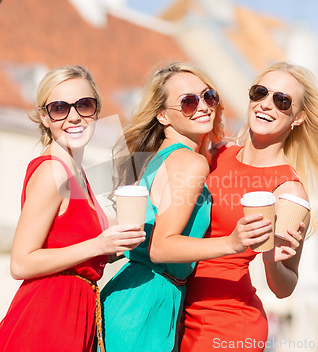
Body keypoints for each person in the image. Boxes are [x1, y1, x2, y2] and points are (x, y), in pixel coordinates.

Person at [180, 61, 318, 351]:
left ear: (298, 118)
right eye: (260, 92)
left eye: (282, 101)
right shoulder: (215, 153)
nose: (266, 104)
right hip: (178, 307)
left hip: (227, 321)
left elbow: (284, 287)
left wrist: (273, 260)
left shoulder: (288, 189)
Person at [100, 62, 273, 352]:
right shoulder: (191, 163)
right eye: (188, 102)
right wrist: (231, 243)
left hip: (135, 295)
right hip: (147, 305)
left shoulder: (157, 159)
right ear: (163, 116)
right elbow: (161, 247)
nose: (203, 106)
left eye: (208, 96)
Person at [0, 65, 145, 352]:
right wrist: (98, 244)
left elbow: (83, 249)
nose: (74, 116)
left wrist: (120, 243)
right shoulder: (53, 171)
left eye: (84, 104)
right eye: (59, 108)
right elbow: (21, 262)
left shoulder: (75, 171)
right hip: (49, 314)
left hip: (73, 312)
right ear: (44, 116)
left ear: (96, 110)